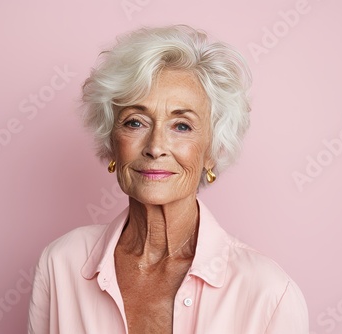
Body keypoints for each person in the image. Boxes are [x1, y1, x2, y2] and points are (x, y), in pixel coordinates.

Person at [28, 24, 309, 334]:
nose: (155, 147)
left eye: (182, 126)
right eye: (135, 122)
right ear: (111, 144)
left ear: (212, 151)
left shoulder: (268, 293)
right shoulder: (61, 264)